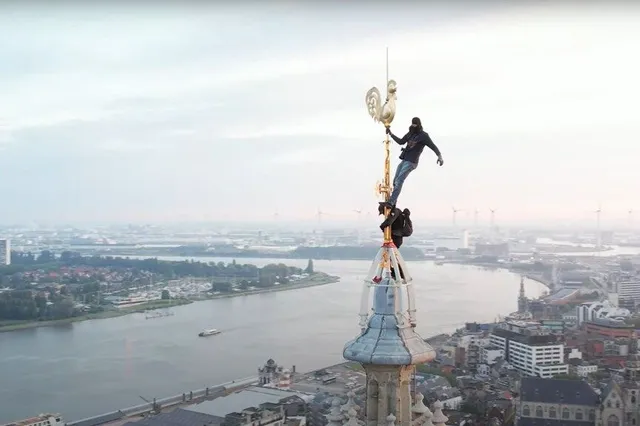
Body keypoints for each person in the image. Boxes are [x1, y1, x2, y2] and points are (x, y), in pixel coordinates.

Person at [380, 117, 443, 209]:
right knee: (395, 181)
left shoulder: (424, 136)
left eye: (415, 124)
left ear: (419, 125)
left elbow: (433, 146)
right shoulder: (410, 133)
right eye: (412, 124)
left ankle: (391, 202)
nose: (413, 126)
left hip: (411, 162)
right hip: (405, 159)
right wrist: (391, 134)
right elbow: (401, 141)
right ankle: (393, 203)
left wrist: (439, 156)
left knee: (399, 180)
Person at [378, 204, 413, 281]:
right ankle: (396, 273)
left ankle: (399, 273)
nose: (384, 214)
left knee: (391, 257)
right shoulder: (396, 212)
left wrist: (382, 226)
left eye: (383, 212)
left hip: (396, 238)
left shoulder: (395, 212)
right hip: (395, 237)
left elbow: (390, 221)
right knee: (390, 258)